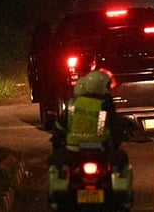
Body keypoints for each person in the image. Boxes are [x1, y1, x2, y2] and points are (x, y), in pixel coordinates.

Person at [47, 69, 133, 208]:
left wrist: (57, 139)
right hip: (101, 150)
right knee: (121, 161)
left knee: (56, 164)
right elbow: (113, 125)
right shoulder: (104, 104)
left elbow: (61, 126)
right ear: (101, 86)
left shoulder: (72, 104)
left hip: (73, 150)